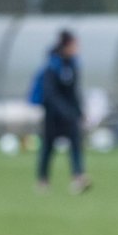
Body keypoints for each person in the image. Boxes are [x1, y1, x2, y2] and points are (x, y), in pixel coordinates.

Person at [36, 30, 91, 194]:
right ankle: (42, 180)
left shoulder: (73, 65)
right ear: (66, 46)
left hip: (70, 114)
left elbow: (74, 91)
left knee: (75, 144)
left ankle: (78, 178)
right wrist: (63, 110)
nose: (77, 48)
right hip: (53, 115)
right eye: (74, 44)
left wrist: (79, 111)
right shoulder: (52, 66)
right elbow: (50, 94)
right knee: (48, 147)